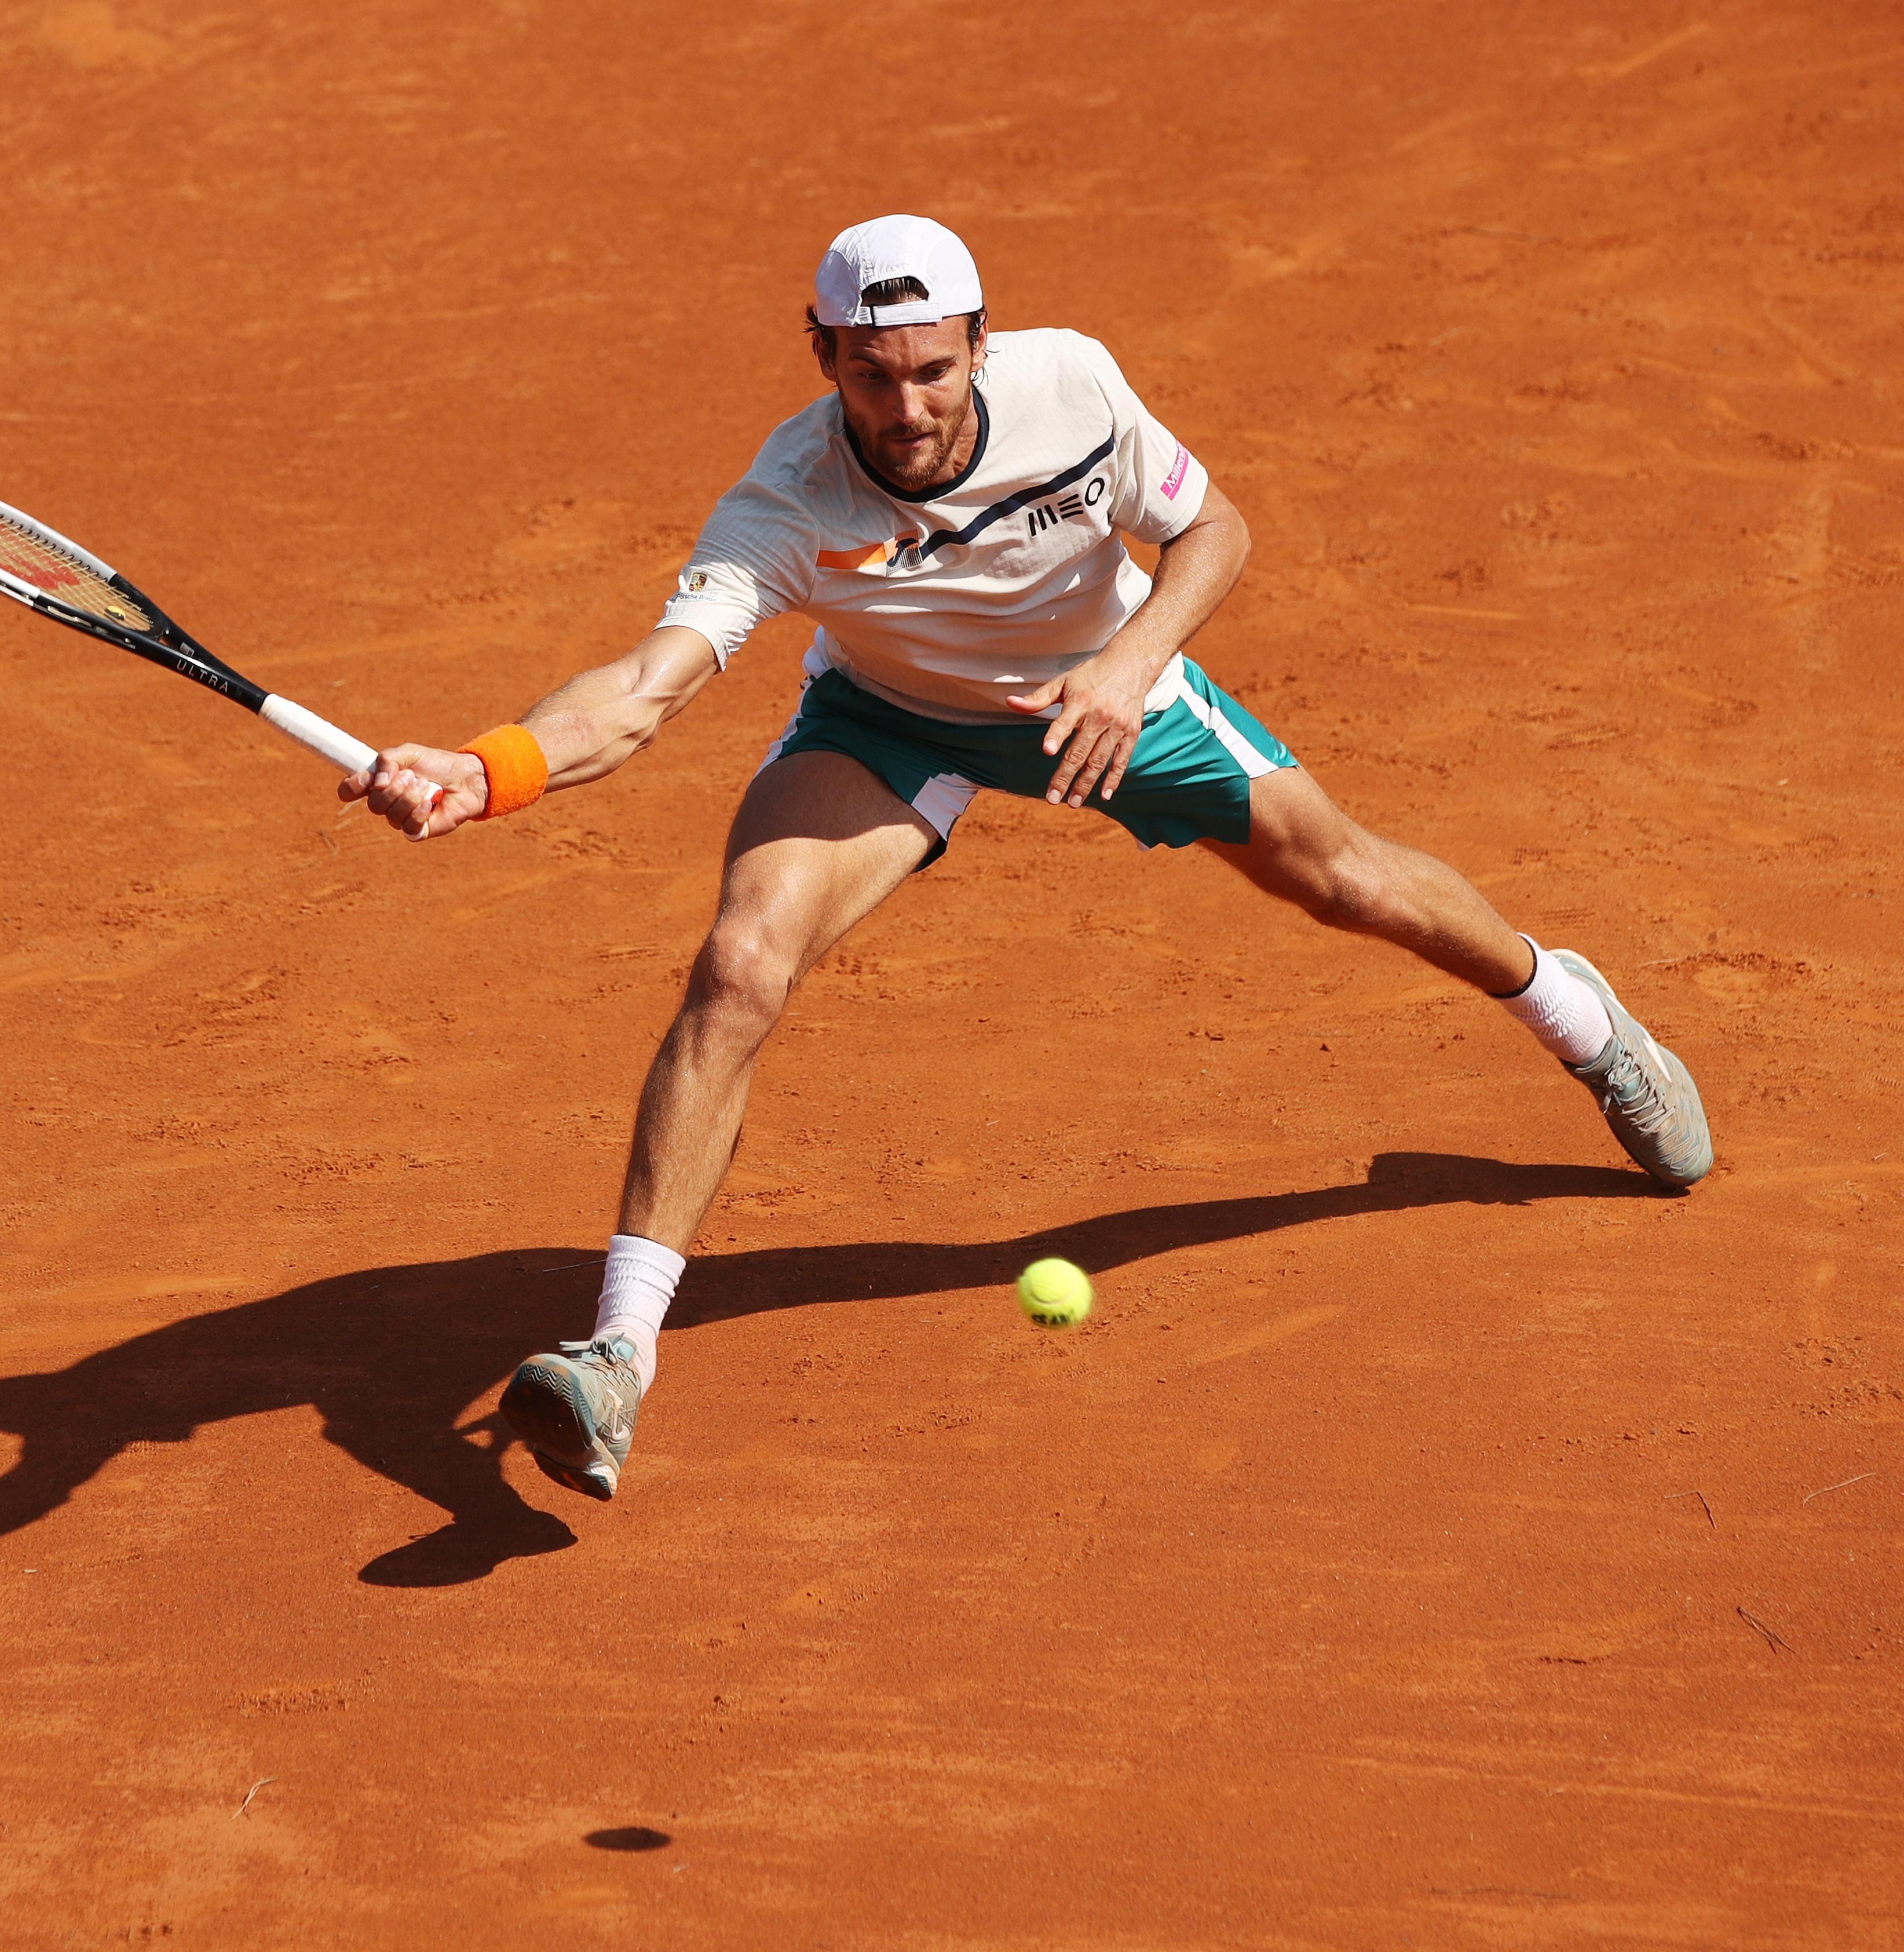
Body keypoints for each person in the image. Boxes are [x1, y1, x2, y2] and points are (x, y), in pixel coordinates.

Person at [339, 214, 1711, 1502]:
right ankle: (619, 1355)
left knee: (1345, 882)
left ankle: (1577, 1017)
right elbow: (644, 690)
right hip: (889, 717)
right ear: (823, 360)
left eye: (932, 368)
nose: (907, 404)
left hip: (1101, 689)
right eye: (871, 374)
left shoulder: (1074, 389)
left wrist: (1127, 662)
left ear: (979, 346)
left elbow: (1212, 530)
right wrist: (491, 764)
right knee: (740, 959)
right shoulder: (784, 499)